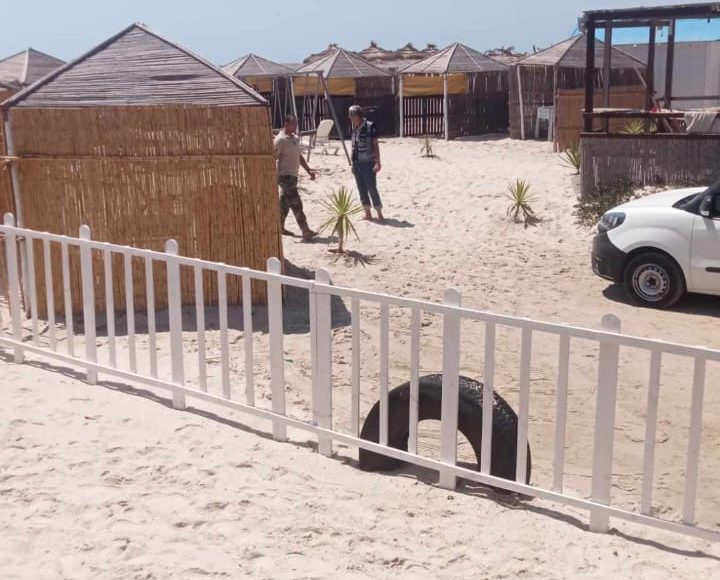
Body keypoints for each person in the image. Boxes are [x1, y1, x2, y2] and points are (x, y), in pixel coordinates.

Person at [273, 114, 318, 240]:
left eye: (296, 124)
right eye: (293, 124)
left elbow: (299, 156)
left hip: (293, 176)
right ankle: (305, 230)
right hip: (285, 176)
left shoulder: (295, 138)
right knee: (296, 203)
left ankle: (280, 226)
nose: (296, 126)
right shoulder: (280, 140)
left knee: (284, 204)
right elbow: (273, 157)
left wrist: (308, 170)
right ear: (286, 124)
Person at [349, 105, 384, 222]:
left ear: (358, 115)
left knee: (371, 188)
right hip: (357, 163)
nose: (350, 117)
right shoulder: (353, 128)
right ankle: (367, 213)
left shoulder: (370, 126)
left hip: (368, 162)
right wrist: (353, 163)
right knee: (361, 189)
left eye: (351, 115)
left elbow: (375, 144)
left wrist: (377, 162)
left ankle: (379, 213)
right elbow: (353, 146)